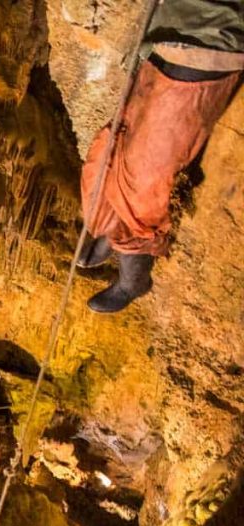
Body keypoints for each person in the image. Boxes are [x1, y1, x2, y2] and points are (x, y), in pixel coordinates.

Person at [77, 1, 244, 313]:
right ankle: (108, 232)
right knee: (103, 162)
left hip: (205, 46)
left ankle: (133, 280)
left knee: (144, 185)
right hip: (171, 38)